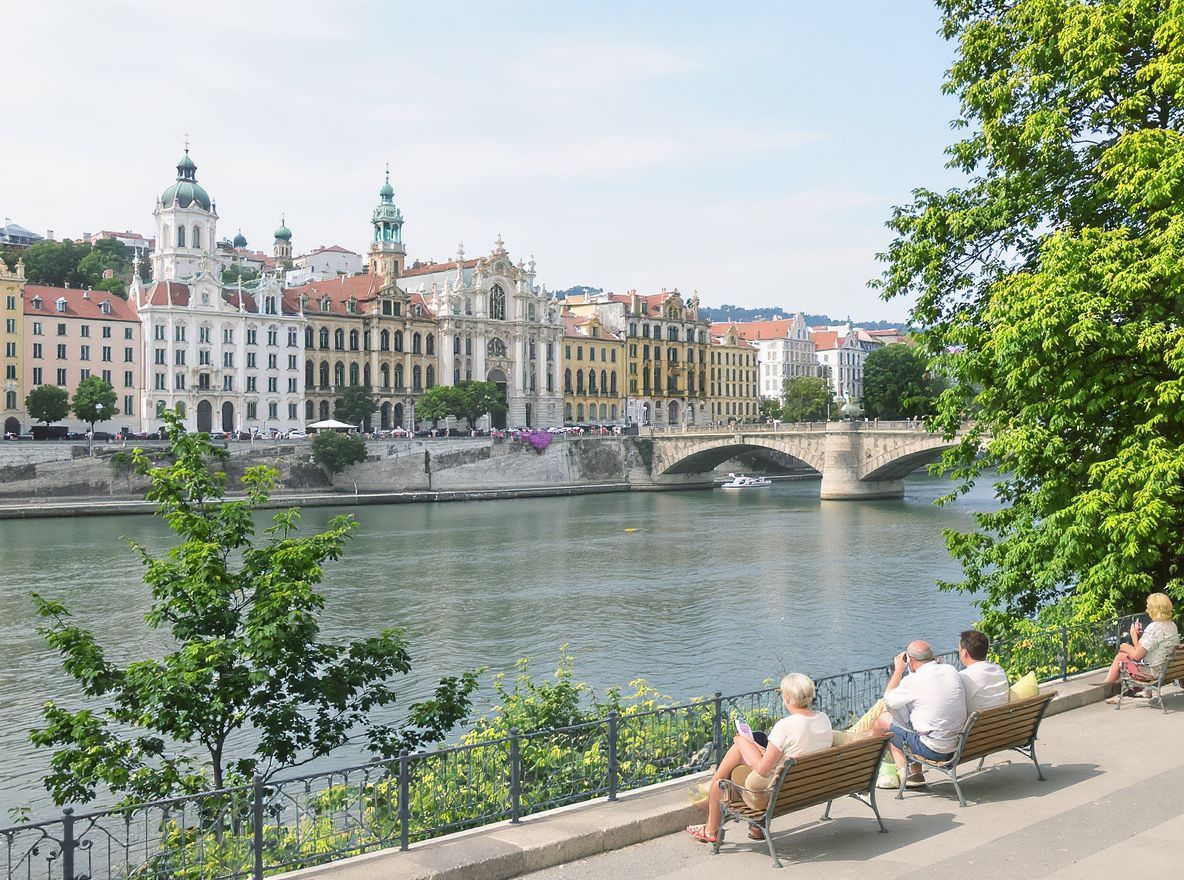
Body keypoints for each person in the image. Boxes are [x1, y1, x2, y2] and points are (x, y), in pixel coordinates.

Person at [686, 673, 832, 844]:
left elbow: (763, 770)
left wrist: (741, 741)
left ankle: (711, 828)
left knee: (723, 779)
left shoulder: (785, 726)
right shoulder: (823, 719)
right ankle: (755, 827)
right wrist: (756, 748)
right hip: (806, 786)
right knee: (750, 744)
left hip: (772, 792)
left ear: (787, 697)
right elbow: (794, 750)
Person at [872, 640, 966, 789]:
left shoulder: (913, 680)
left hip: (936, 750)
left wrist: (898, 670)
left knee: (883, 723)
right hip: (958, 744)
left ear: (911, 660)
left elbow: (889, 700)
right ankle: (915, 773)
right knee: (915, 717)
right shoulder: (950, 670)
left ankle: (903, 774)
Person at [1104, 593, 1180, 699]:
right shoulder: (1172, 625)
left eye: (1148, 607)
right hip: (1167, 670)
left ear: (1154, 609)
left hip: (1153, 673)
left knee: (1120, 656)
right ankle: (1146, 691)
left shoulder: (1154, 627)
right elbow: (1145, 650)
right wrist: (1139, 639)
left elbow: (1136, 655)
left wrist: (1130, 639)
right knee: (1131, 654)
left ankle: (1107, 690)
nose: (1147, 609)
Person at [958, 629, 1010, 713]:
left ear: (965, 653)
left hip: (978, 725)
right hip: (1002, 722)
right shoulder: (998, 670)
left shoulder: (963, 677)